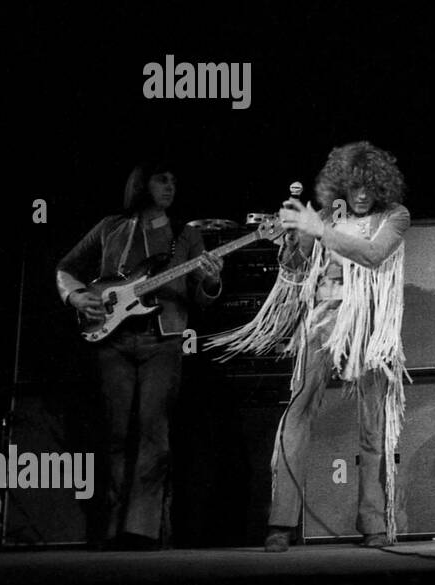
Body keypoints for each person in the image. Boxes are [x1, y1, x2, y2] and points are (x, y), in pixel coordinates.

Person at [208, 141, 410, 551]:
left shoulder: (394, 216)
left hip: (368, 327)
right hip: (320, 321)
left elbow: (373, 255)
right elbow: (296, 271)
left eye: (370, 186)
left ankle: (372, 521)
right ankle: (281, 523)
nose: (362, 194)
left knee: (373, 426)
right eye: (354, 186)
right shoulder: (322, 217)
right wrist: (295, 239)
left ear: (381, 187)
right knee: (298, 412)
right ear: (341, 185)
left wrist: (320, 231)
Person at [57, 162, 224, 549]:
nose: (170, 186)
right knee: (115, 434)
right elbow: (65, 268)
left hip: (162, 342)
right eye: (162, 178)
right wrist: (77, 296)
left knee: (154, 435)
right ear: (142, 183)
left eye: (174, 180)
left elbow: (204, 294)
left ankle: (142, 530)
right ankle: (111, 528)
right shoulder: (110, 227)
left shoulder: (187, 234)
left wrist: (213, 280)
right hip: (111, 343)